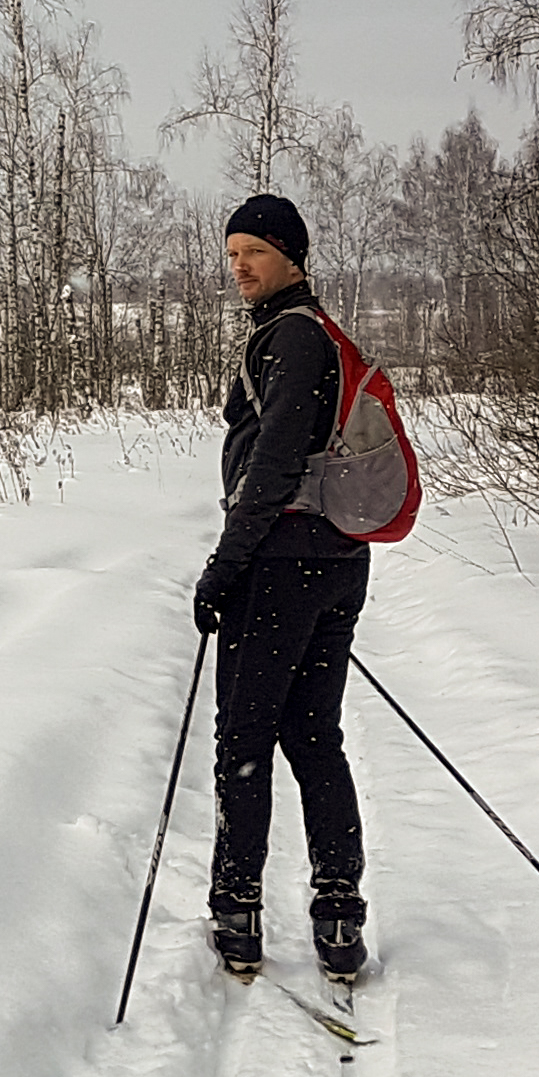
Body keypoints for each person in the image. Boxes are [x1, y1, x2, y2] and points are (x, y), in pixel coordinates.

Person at [188, 193, 369, 984]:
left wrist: (225, 566)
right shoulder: (316, 332)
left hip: (283, 565)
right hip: (338, 560)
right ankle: (338, 920)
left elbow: (275, 463)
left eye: (254, 252)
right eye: (232, 255)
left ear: (291, 255)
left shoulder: (293, 337)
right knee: (314, 736)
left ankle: (237, 913)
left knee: (245, 740)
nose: (240, 267)